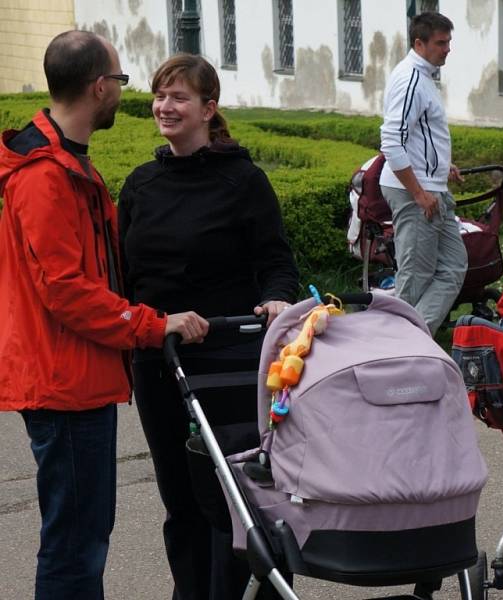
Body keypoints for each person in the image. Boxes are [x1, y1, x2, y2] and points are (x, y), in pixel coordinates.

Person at [0, 31, 206, 600]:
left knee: (83, 535)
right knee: (74, 545)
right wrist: (149, 322)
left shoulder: (67, 164)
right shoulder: (45, 176)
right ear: (98, 86)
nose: (122, 91)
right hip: (63, 386)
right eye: (119, 80)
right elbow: (66, 291)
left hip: (78, 378)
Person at [118, 54, 299, 599]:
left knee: (235, 500)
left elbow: (276, 260)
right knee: (180, 498)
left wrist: (275, 300)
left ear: (208, 109)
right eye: (159, 95)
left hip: (228, 359)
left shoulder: (242, 180)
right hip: (159, 361)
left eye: (178, 97)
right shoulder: (140, 185)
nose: (164, 107)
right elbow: (127, 277)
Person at [379, 11, 467, 334]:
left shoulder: (423, 76)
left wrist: (443, 168)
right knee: (415, 278)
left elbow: (420, 136)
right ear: (420, 43)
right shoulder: (411, 79)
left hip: (430, 187)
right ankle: (392, 347)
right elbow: (391, 141)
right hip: (414, 193)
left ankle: (412, 338)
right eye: (441, 43)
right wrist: (419, 193)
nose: (447, 49)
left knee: (454, 266)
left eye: (448, 42)